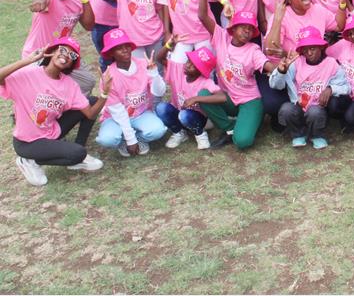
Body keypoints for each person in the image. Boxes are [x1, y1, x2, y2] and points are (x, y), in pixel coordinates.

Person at [1, 37, 109, 186]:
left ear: (72, 63)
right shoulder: (28, 74)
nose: (65, 55)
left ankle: (78, 147)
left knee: (91, 101)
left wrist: (105, 93)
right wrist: (28, 60)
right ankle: (29, 160)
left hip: (52, 131)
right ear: (52, 51)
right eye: (62, 50)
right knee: (77, 154)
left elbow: (90, 113)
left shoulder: (69, 84)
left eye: (72, 55)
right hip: (28, 142)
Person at [197, 0, 271, 150]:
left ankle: (247, 122)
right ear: (233, 28)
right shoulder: (221, 37)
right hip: (228, 98)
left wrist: (281, 67)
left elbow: (266, 65)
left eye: (250, 29)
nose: (246, 31)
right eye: (243, 27)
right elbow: (203, 16)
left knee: (242, 141)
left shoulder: (253, 49)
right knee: (203, 95)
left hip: (250, 100)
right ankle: (229, 127)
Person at [24, 0, 96, 96]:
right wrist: (39, 3)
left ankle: (70, 107)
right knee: (41, 93)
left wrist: (85, 0)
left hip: (62, 53)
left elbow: (89, 25)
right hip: (37, 54)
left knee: (88, 82)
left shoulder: (76, 1)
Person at [270, 27, 350, 149]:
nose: (309, 53)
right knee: (286, 109)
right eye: (305, 50)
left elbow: (346, 87)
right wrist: (281, 71)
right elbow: (275, 84)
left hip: (318, 108)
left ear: (321, 47)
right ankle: (298, 134)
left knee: (315, 112)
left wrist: (331, 89)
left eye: (312, 48)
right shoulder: (296, 63)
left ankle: (317, 135)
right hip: (299, 106)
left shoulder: (331, 63)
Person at [95, 29, 168, 157]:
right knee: (107, 139)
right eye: (118, 48)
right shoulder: (108, 77)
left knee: (158, 131)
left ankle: (140, 138)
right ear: (111, 53)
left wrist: (154, 73)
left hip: (141, 113)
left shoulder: (144, 64)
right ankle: (123, 140)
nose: (125, 50)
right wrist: (130, 140)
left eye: (126, 46)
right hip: (115, 118)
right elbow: (118, 112)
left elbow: (159, 92)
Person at [155, 39, 222, 150]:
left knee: (185, 115)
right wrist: (168, 45)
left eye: (193, 65)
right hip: (178, 112)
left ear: (201, 71)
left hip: (197, 118)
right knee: (161, 108)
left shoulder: (206, 82)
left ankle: (200, 134)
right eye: (189, 61)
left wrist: (196, 98)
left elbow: (222, 97)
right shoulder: (178, 71)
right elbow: (160, 59)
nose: (187, 65)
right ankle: (179, 133)